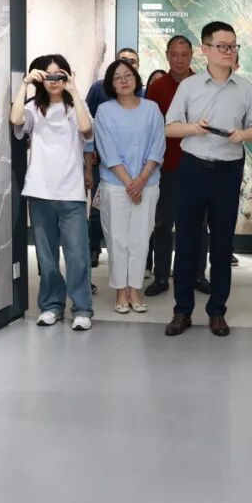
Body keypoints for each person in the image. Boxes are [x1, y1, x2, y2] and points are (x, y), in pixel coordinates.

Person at [164, 21, 252, 337]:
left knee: (222, 245)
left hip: (227, 171)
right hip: (192, 168)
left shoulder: (245, 88)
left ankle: (217, 311)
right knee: (187, 242)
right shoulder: (189, 86)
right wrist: (195, 128)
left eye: (233, 46)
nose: (229, 51)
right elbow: (170, 127)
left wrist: (242, 135)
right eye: (222, 46)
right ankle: (182, 310)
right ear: (204, 49)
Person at [10, 54, 94, 331]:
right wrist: (25, 85)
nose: (54, 80)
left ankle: (82, 308)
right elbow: (15, 119)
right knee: (46, 257)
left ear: (67, 76)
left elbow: (86, 128)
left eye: (59, 75)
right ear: (40, 79)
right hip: (40, 191)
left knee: (77, 255)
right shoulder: (34, 108)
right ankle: (51, 305)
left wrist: (75, 91)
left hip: (71, 192)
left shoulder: (76, 107)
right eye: (48, 75)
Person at [94, 59, 166, 313]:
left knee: (140, 238)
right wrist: (129, 183)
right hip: (116, 185)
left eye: (128, 75)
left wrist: (142, 179)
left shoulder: (152, 109)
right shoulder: (104, 111)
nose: (123, 80)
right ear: (111, 84)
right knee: (117, 239)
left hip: (148, 184)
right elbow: (107, 150)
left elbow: (158, 144)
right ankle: (120, 290)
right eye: (117, 77)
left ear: (136, 78)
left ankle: (134, 288)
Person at [144, 35, 210, 298]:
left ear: (192, 56)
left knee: (199, 224)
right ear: (167, 55)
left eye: (184, 55)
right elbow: (151, 128)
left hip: (197, 165)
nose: (179, 60)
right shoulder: (157, 88)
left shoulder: (203, 84)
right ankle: (161, 276)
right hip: (166, 166)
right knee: (163, 222)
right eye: (174, 54)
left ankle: (197, 274)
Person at [85, 48, 143, 268]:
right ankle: (93, 248)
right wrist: (91, 153)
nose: (128, 64)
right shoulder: (99, 88)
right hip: (102, 160)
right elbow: (89, 122)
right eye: (123, 60)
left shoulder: (143, 93)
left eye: (132, 61)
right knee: (98, 207)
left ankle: (128, 256)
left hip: (134, 164)